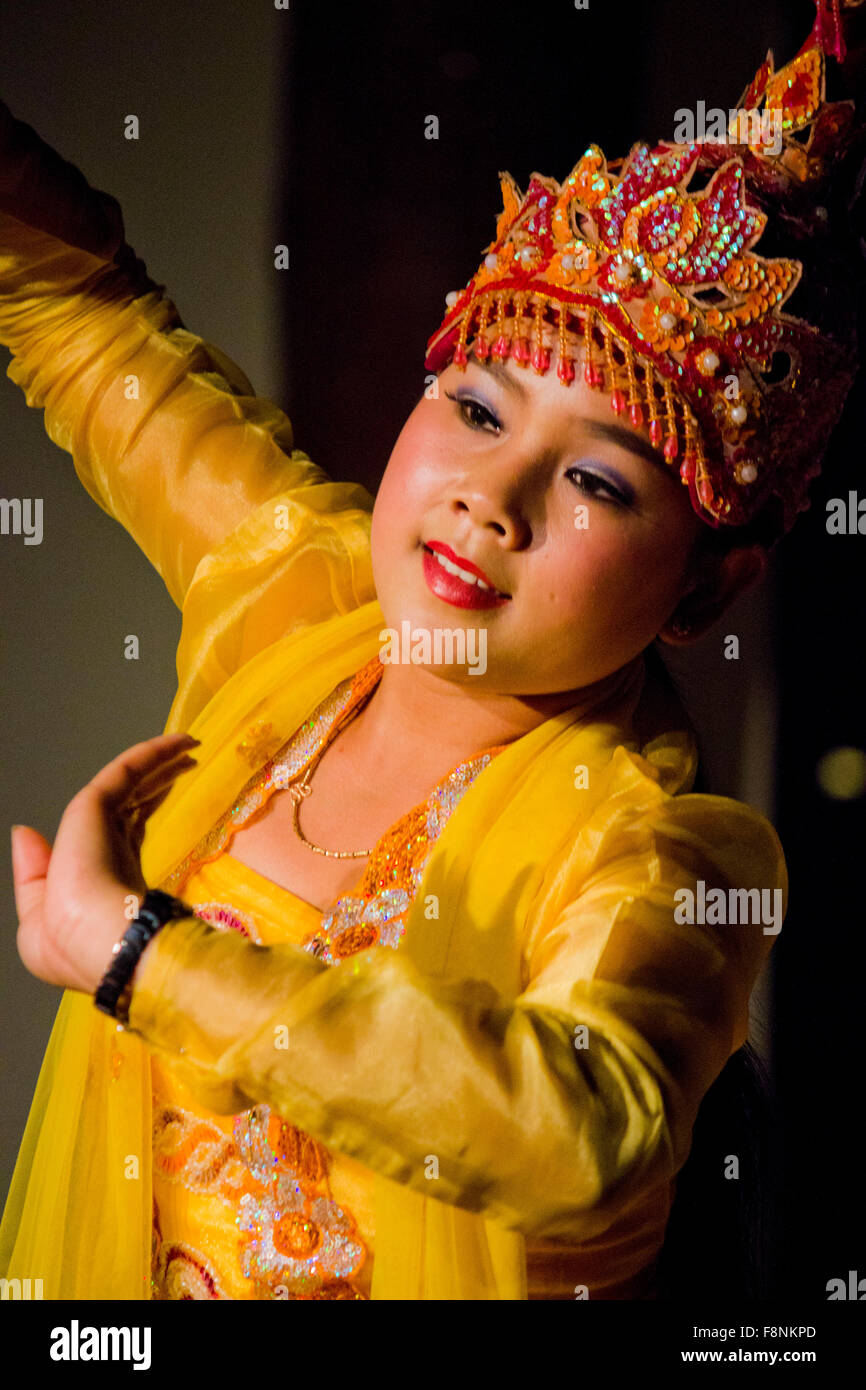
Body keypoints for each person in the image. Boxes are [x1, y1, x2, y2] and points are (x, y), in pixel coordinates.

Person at [0, 0, 863, 1301]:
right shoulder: (297, 590)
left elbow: (580, 1131)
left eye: (597, 481)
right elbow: (83, 317)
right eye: (473, 407)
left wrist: (140, 955)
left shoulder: (652, 852)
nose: (488, 497)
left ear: (705, 586)